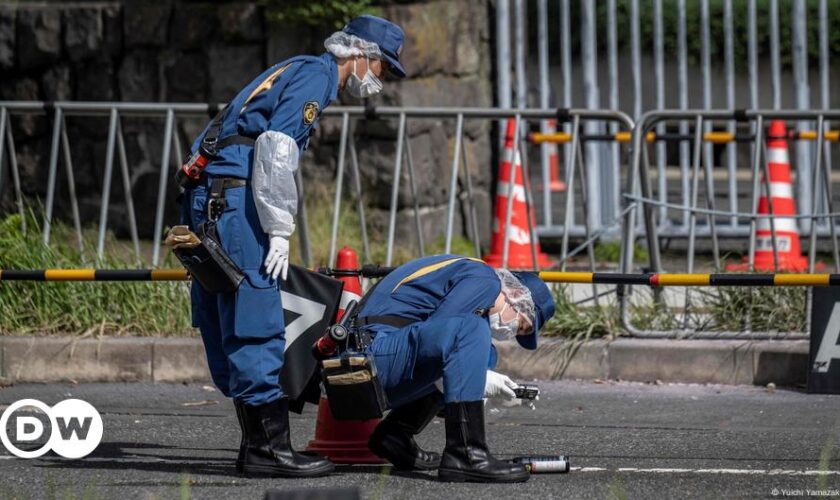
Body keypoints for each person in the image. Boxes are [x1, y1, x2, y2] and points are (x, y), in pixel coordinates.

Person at [181, 15, 406, 478]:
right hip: (238, 196)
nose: (379, 81)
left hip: (212, 193)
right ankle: (269, 449)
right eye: (382, 68)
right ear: (361, 54)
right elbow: (277, 148)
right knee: (257, 310)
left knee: (227, 307)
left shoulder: (294, 66)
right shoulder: (317, 76)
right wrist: (280, 227)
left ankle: (256, 445)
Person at [356, 255, 556, 483]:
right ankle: (467, 455)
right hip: (370, 357)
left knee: (484, 353)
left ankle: (395, 435)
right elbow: (446, 339)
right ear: (517, 295)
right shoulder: (485, 279)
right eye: (521, 326)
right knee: (469, 330)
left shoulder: (468, 275)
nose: (511, 333)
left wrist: (477, 385)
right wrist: (480, 382)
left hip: (371, 358)